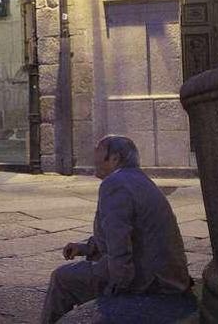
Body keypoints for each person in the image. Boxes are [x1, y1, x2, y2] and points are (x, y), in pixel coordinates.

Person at [39, 135, 192, 324]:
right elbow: (125, 232)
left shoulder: (115, 184)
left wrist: (118, 290)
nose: (93, 156)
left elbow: (120, 246)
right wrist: (87, 247)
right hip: (165, 275)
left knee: (62, 278)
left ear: (114, 158)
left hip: (149, 281)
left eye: (98, 150)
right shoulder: (137, 179)